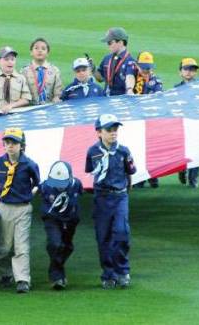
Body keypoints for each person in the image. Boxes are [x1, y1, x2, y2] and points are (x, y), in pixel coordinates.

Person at [86, 114, 137, 289]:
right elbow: (90, 171)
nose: (113, 132)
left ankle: (122, 270)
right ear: (99, 132)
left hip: (120, 196)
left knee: (122, 232)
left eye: (115, 129)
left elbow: (129, 172)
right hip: (102, 197)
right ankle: (108, 273)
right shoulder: (92, 152)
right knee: (103, 236)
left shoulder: (124, 151)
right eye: (109, 129)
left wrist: (125, 191)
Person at [0, 128, 40, 293]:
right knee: (4, 245)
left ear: (22, 145)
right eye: (7, 142)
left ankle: (22, 279)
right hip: (4, 207)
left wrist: (29, 194)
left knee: (21, 245)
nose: (10, 146)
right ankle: (5, 273)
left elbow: (37, 183)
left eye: (14, 143)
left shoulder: (29, 164)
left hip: (23, 208)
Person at [39, 161, 83, 290]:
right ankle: (56, 276)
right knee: (55, 244)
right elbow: (37, 190)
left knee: (67, 247)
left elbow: (80, 193)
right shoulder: (46, 186)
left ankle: (56, 269)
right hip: (52, 218)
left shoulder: (76, 184)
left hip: (71, 219)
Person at [133, 52, 162, 189]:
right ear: (137, 66)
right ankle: (139, 178)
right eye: (144, 67)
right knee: (137, 150)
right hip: (136, 121)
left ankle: (153, 176)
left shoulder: (156, 81)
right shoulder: (131, 80)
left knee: (151, 150)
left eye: (148, 68)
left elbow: (158, 99)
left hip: (150, 121)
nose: (146, 70)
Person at [176, 57, 199, 188]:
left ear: (196, 72)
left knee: (197, 152)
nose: (189, 72)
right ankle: (182, 171)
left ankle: (193, 179)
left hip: (196, 125)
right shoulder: (175, 89)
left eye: (192, 69)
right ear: (180, 72)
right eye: (186, 69)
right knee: (182, 151)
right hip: (181, 126)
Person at [0, 46, 32, 114]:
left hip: (15, 115)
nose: (10, 62)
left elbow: (26, 99)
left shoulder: (21, 78)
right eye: (6, 59)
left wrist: (11, 106)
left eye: (12, 59)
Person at [95, 27, 137, 96]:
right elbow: (100, 79)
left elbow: (130, 76)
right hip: (106, 98)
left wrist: (129, 89)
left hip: (121, 99)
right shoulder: (107, 58)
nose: (108, 46)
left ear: (120, 42)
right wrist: (93, 69)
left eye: (110, 43)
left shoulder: (130, 61)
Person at [21, 38, 63, 105]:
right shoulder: (24, 71)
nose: (40, 51)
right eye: (36, 48)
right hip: (31, 108)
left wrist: (56, 98)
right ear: (31, 52)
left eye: (43, 49)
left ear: (47, 53)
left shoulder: (55, 71)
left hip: (49, 107)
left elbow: (58, 93)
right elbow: (22, 94)